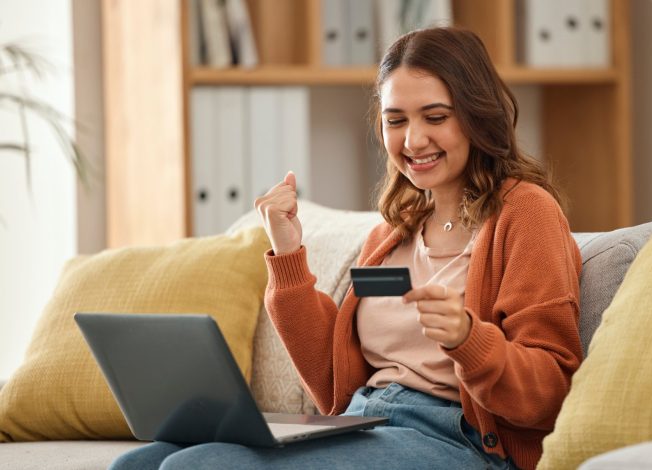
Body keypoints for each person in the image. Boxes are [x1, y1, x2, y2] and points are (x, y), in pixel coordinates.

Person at [110, 26, 582, 470]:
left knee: (197, 467)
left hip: (456, 439)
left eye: (435, 117)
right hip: (364, 421)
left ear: (478, 115)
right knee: (139, 463)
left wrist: (467, 338)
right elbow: (335, 389)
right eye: (395, 121)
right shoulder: (391, 234)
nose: (413, 140)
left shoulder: (526, 214)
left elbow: (552, 390)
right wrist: (289, 255)